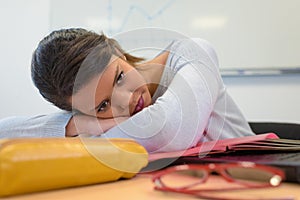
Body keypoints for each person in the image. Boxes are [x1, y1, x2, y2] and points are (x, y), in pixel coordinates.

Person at [0, 28, 254, 153]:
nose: (126, 101)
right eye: (103, 106)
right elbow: (4, 132)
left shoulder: (192, 54)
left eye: (119, 77)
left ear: (118, 52)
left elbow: (165, 130)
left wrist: (89, 131)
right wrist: (75, 126)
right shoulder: (87, 122)